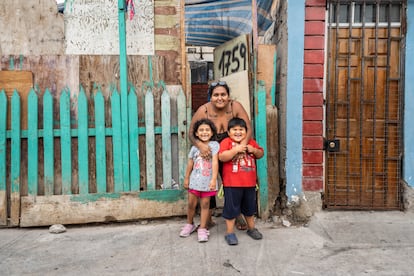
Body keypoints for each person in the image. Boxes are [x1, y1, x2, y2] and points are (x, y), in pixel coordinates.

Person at [189, 80, 251, 230]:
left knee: (231, 180)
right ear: (210, 97)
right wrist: (201, 145)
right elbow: (191, 133)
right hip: (209, 149)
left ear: (228, 96)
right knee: (208, 181)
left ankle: (236, 214)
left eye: (223, 94)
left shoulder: (235, 106)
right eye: (216, 95)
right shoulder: (203, 110)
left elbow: (248, 128)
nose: (220, 98)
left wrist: (240, 148)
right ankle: (208, 218)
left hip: (230, 146)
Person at [218, 117, 264, 246]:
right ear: (228, 132)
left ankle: (252, 229)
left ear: (246, 131)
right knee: (231, 209)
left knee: (249, 209)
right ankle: (229, 232)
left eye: (241, 129)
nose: (238, 132)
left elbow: (260, 154)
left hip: (249, 184)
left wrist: (253, 150)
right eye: (234, 130)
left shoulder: (251, 142)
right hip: (232, 184)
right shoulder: (226, 142)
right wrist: (235, 150)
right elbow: (221, 157)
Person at [180, 118, 219, 242]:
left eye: (207, 130)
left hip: (207, 182)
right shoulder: (194, 148)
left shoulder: (214, 146)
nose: (204, 132)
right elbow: (190, 164)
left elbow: (215, 162)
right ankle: (189, 224)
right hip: (194, 181)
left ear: (212, 133)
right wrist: (186, 178)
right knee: (192, 204)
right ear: (196, 133)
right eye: (201, 130)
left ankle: (202, 228)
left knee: (205, 205)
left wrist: (213, 179)